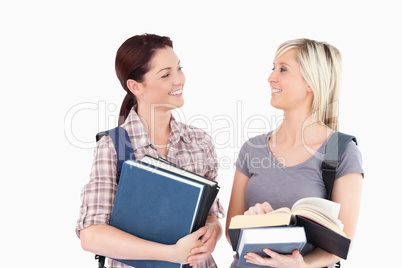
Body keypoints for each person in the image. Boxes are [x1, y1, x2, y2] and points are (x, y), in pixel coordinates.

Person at [76, 34, 224, 268]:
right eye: (166, 74)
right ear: (135, 86)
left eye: (179, 68)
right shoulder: (114, 146)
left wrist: (213, 233)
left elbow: (211, 216)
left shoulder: (199, 141)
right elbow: (91, 235)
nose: (179, 80)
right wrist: (170, 253)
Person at [225, 39, 363, 268]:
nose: (271, 77)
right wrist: (248, 221)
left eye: (283, 69)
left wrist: (303, 265)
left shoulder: (341, 151)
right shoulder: (252, 148)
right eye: (273, 68)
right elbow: (231, 235)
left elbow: (341, 245)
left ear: (311, 82)